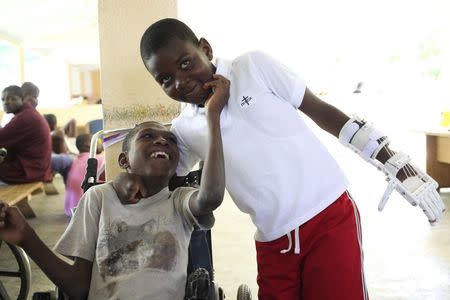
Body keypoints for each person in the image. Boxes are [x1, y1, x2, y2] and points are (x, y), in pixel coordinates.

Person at [114, 18, 445, 299]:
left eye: (186, 63)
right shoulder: (185, 128)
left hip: (328, 216)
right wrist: (127, 179)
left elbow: (325, 113)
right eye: (166, 80)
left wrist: (398, 165)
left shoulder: (253, 67)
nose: (181, 82)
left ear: (206, 48)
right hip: (272, 240)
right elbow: (162, 173)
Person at [0, 76, 227, 299]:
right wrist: (26, 237)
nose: (162, 141)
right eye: (148, 136)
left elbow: (211, 197)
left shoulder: (179, 201)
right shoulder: (98, 197)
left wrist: (212, 117)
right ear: (124, 161)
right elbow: (78, 287)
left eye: (171, 140)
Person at [0, 85, 52, 184]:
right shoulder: (26, 113)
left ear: (22, 99)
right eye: (3, 99)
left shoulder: (25, 117)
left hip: (29, 171)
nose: (6, 102)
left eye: (12, 99)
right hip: (34, 167)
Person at [64, 133, 104, 217]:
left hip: (71, 211)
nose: (102, 143)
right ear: (89, 144)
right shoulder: (98, 160)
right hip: (87, 213)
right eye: (99, 141)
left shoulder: (76, 161)